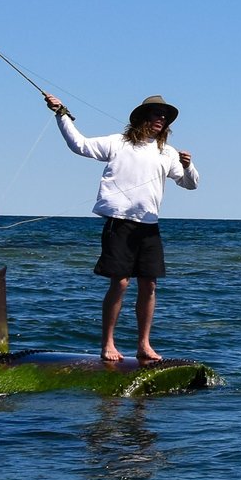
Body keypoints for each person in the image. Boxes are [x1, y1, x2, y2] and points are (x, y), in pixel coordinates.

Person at [45, 93, 198, 365]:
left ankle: (144, 344)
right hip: (119, 222)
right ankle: (108, 343)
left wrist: (189, 166)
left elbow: (190, 184)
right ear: (142, 117)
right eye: (155, 113)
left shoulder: (168, 153)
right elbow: (79, 145)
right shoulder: (118, 143)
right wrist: (61, 114)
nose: (161, 119)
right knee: (121, 282)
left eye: (164, 115)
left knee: (149, 284)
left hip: (149, 226)